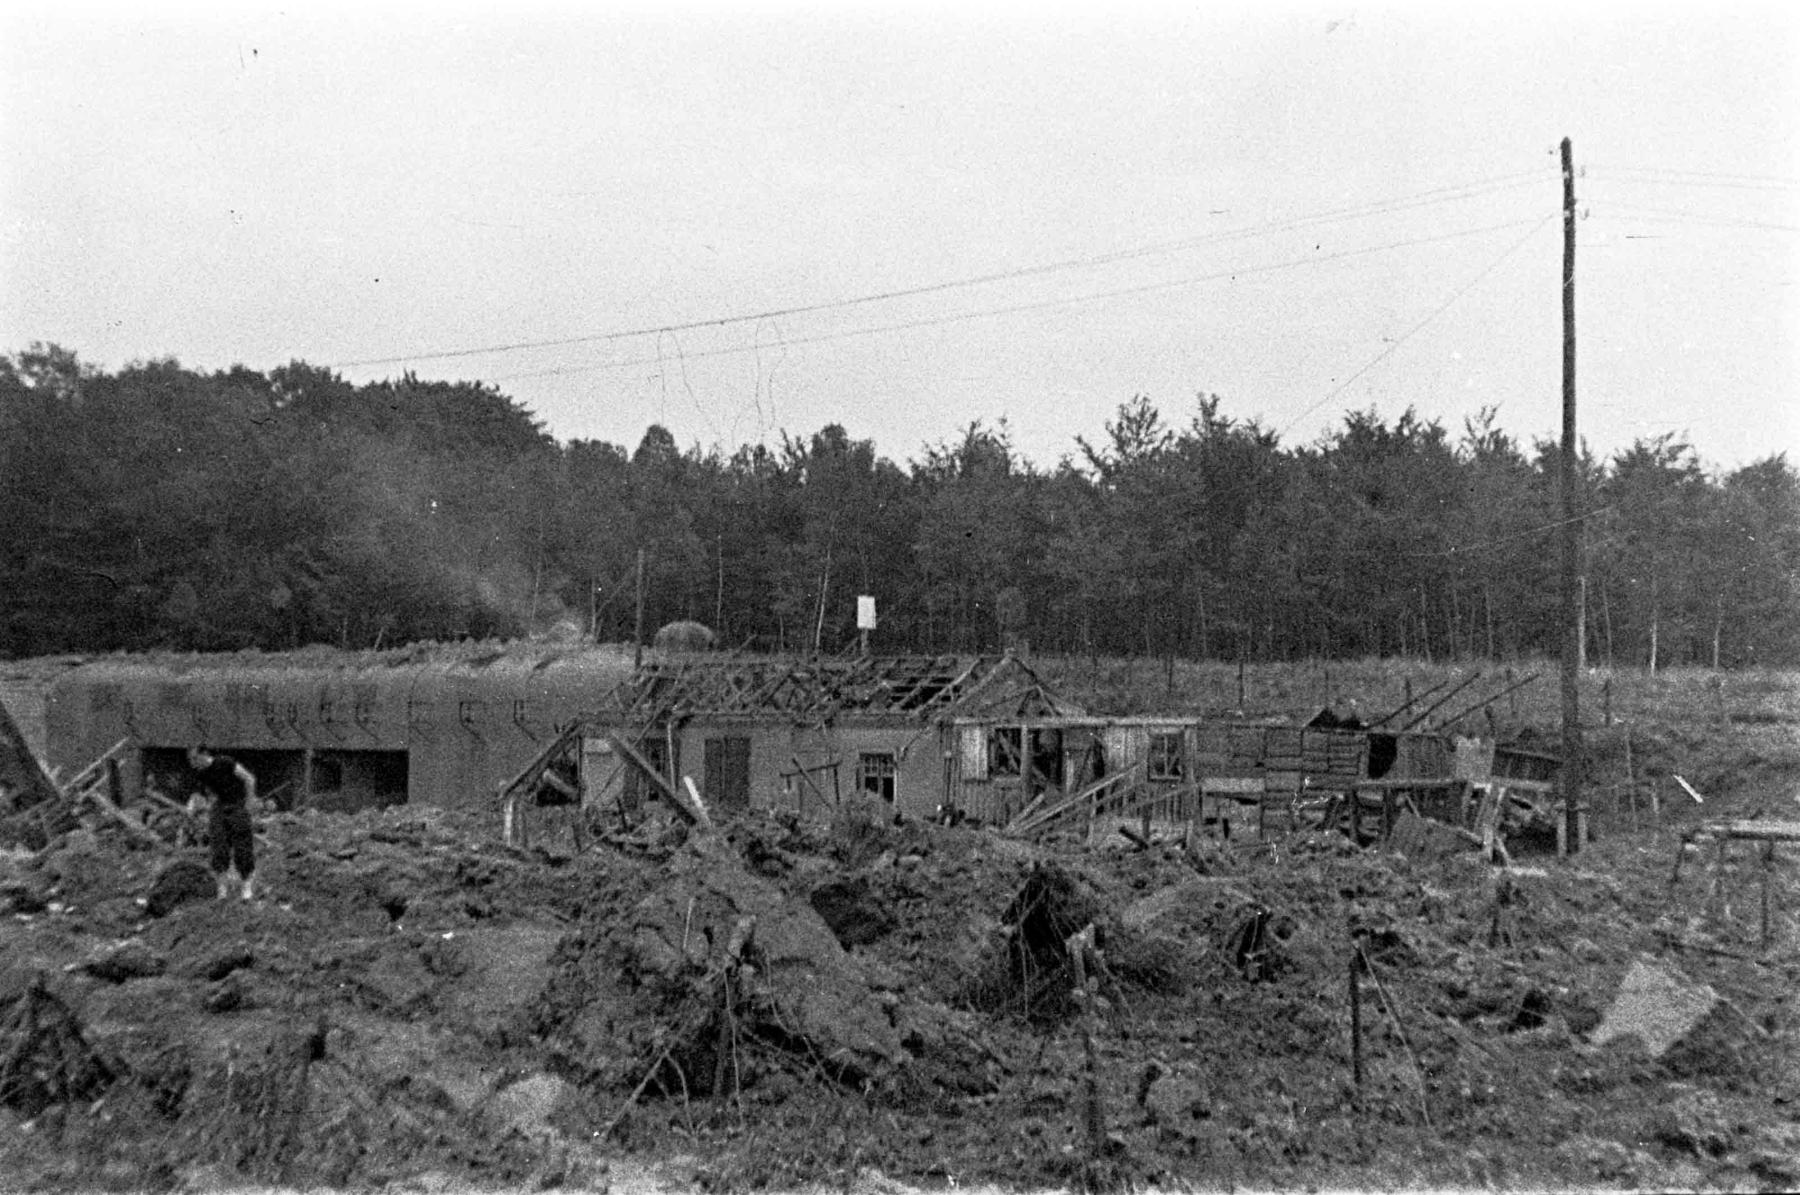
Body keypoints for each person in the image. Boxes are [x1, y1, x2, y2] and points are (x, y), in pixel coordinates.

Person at [187, 746, 259, 901]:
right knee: (218, 848)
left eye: (194, 759)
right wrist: (197, 806)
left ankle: (246, 887)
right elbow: (208, 793)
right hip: (220, 807)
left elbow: (248, 779)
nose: (192, 763)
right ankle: (222, 890)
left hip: (238, 805)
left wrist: (250, 802)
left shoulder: (225, 762)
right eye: (190, 760)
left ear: (204, 755)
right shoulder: (201, 773)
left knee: (243, 847)